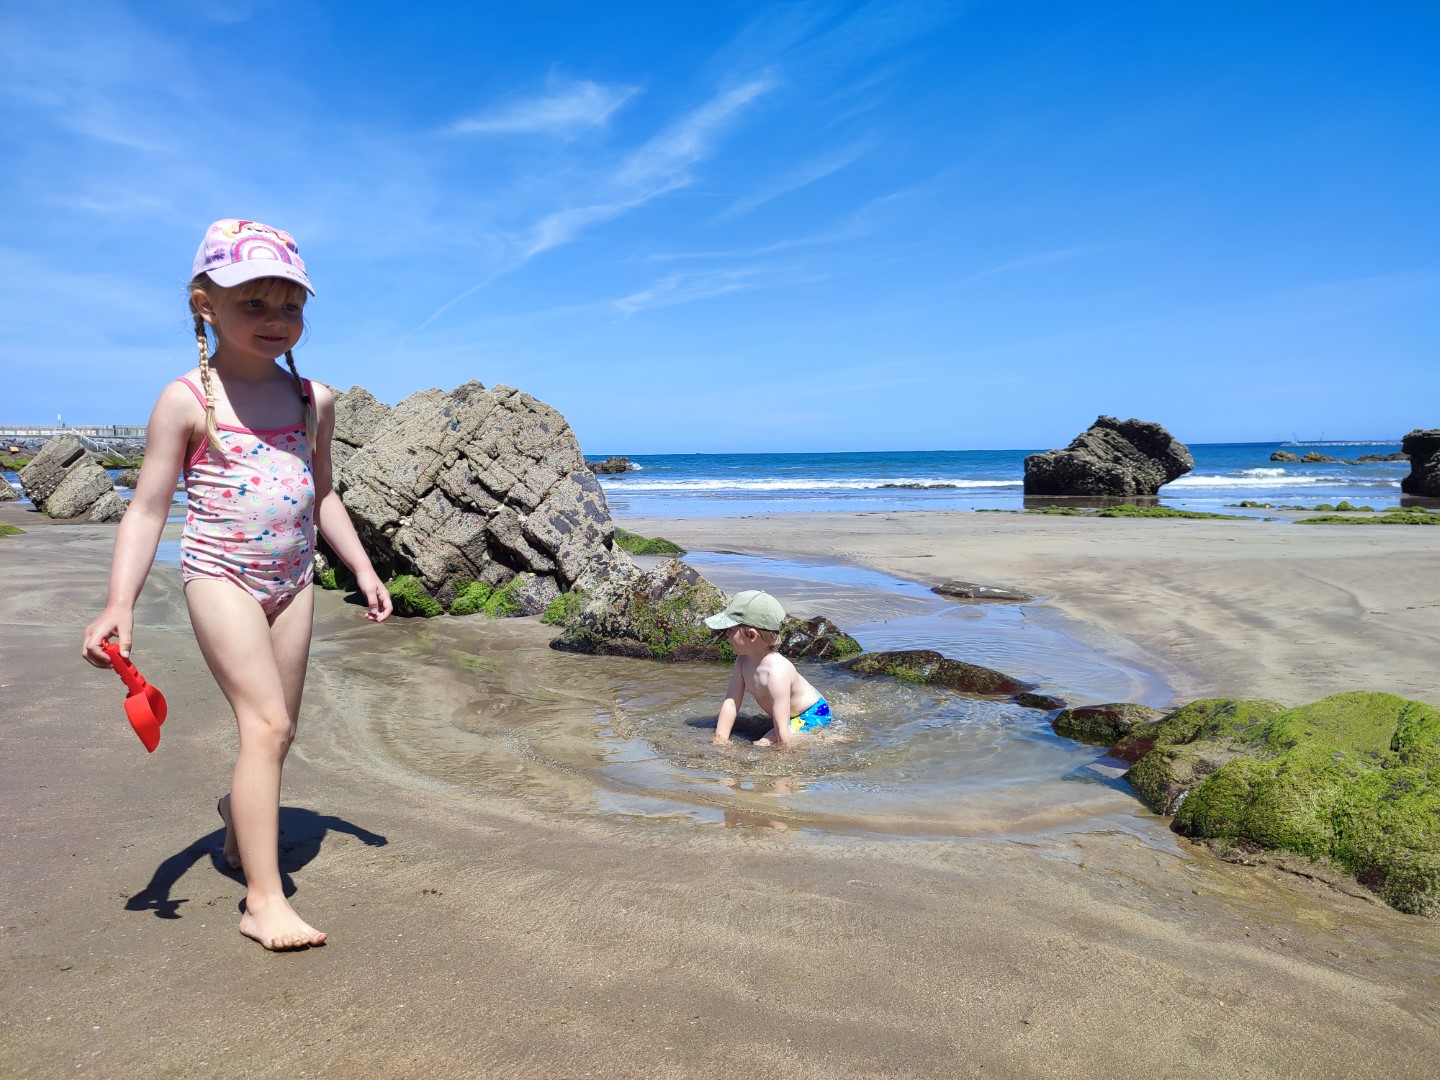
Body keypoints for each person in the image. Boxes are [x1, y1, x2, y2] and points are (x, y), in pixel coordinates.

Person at [82, 219, 393, 951]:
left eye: (290, 306)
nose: (276, 321)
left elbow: (323, 496)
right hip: (219, 574)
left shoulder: (313, 400)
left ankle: (237, 819)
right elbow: (149, 507)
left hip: (294, 581)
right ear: (204, 305)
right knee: (267, 726)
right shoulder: (188, 400)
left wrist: (362, 565)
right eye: (253, 304)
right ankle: (263, 900)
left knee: (280, 732)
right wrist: (118, 602)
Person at [705, 590, 832, 748]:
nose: (726, 635)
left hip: (813, 713)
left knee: (762, 744)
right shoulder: (742, 661)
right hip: (790, 712)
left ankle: (830, 739)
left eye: (730, 630)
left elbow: (783, 734)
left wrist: (782, 762)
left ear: (751, 635)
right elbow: (730, 703)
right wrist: (720, 739)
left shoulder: (776, 673)